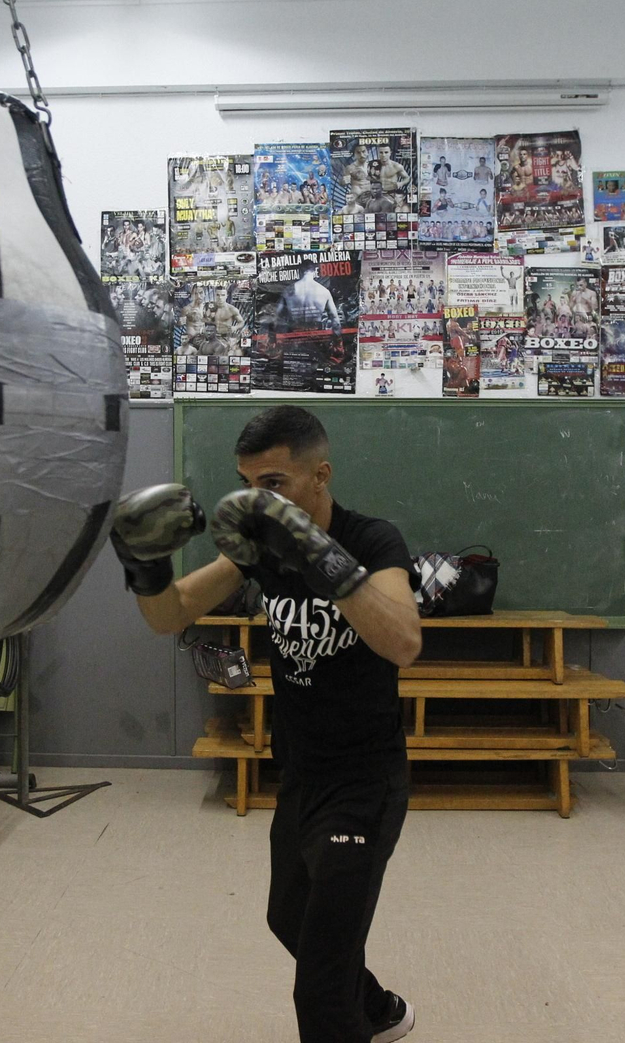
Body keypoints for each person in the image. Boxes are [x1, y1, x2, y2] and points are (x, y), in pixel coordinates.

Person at [107, 407, 424, 1043]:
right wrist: (145, 565)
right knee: (290, 921)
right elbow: (170, 615)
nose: (257, 499)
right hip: (301, 776)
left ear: (321, 475)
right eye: (248, 483)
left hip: (364, 785)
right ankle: (381, 1010)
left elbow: (403, 641)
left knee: (319, 987)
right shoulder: (258, 551)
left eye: (273, 484)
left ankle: (348, 1011)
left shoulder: (373, 540)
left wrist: (318, 556)